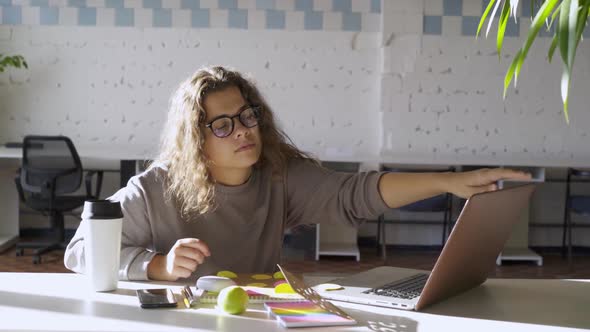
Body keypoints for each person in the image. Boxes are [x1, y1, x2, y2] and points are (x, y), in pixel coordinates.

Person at [64, 66, 531, 282]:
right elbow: (79, 251)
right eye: (221, 125)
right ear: (195, 138)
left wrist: (448, 182)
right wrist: (156, 265)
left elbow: (356, 194)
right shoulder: (153, 190)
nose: (242, 131)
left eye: (247, 117)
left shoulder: (279, 175)